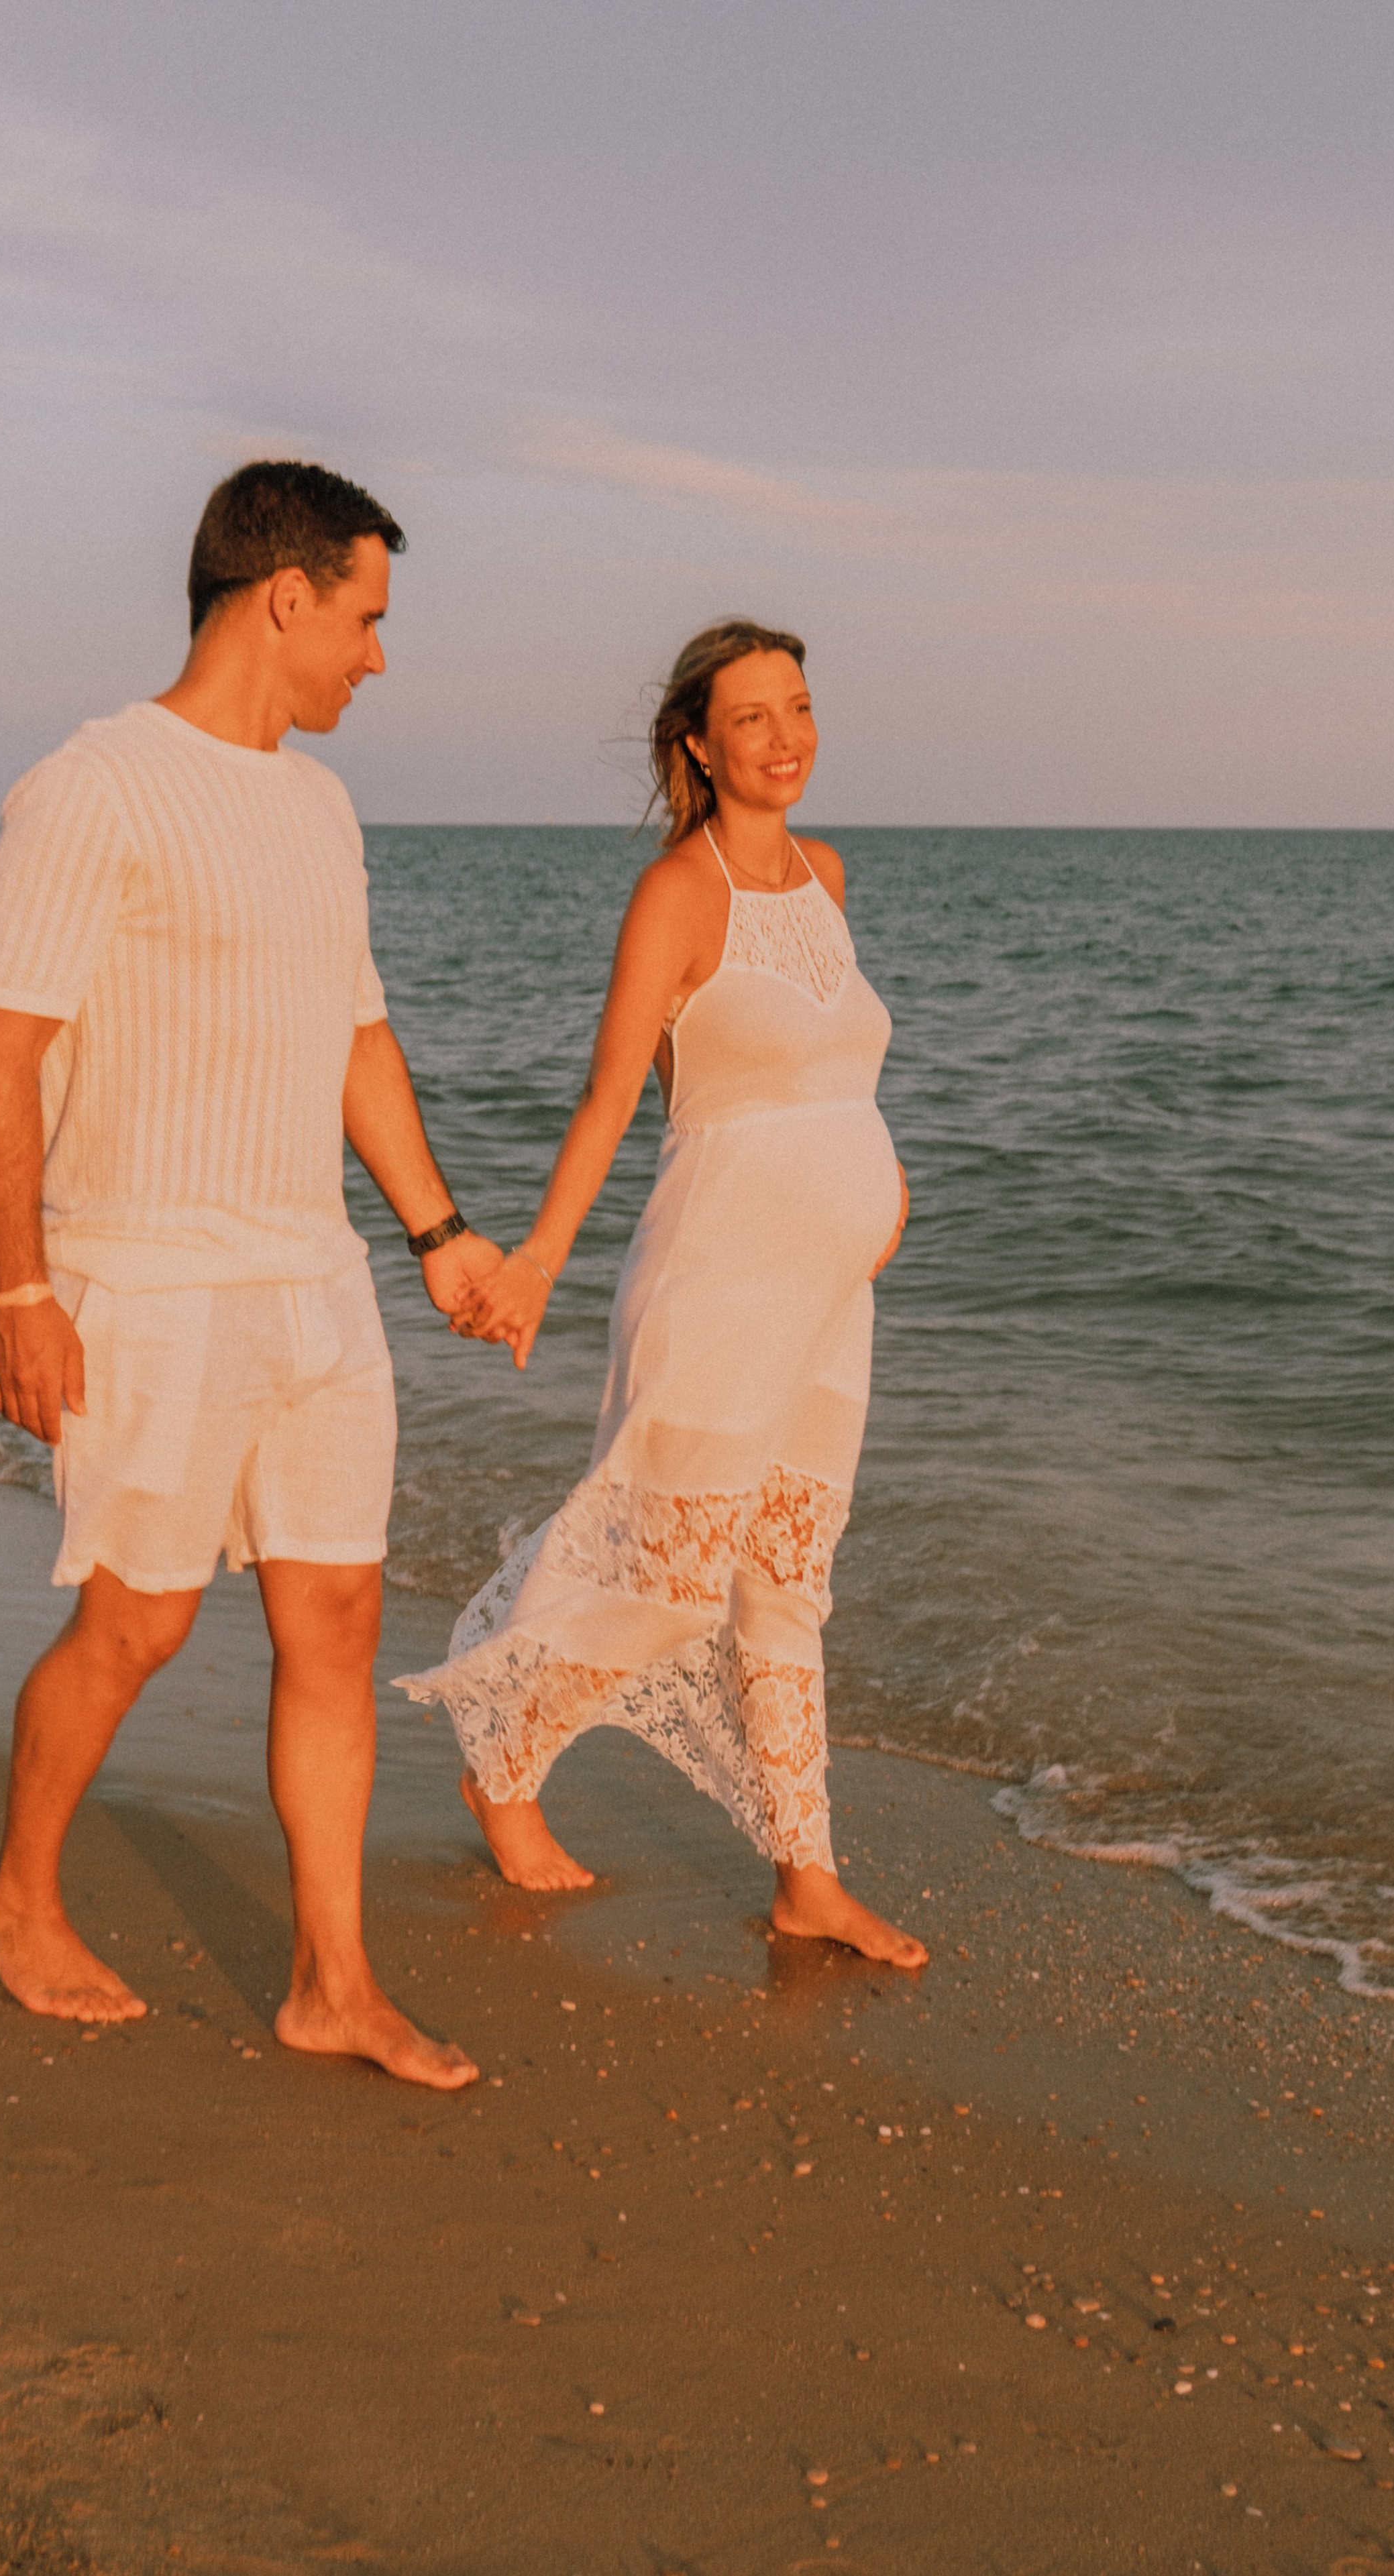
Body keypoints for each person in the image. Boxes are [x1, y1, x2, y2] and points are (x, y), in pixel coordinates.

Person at [0, 460, 497, 2086]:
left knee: (332, 1614)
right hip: (146, 1280)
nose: (376, 659)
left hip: (312, 1279)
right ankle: (16, 1900)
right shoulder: (94, 786)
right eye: (366, 617)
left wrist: (436, 1231)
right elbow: (2, 1058)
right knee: (140, 1623)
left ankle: (331, 1978)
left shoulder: (316, 808)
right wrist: (20, 1294)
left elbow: (354, 1034)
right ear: (284, 599)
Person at [400, 620, 926, 1969]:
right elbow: (608, 1099)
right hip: (715, 1284)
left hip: (827, 1295)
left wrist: (886, 1179)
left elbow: (827, 1071)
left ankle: (806, 1876)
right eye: (749, 717)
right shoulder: (674, 897)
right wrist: (530, 1267)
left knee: (785, 1580)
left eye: (797, 706)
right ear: (697, 743)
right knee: (673, 1577)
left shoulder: (826, 875)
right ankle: (500, 1764)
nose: (783, 736)